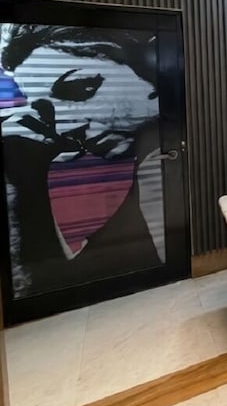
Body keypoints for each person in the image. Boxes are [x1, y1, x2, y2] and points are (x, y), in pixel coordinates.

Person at [0, 24, 165, 299]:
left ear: (149, 70)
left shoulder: (166, 165)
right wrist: (24, 179)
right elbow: (54, 287)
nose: (63, 128)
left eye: (80, 88)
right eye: (48, 109)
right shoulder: (145, 168)